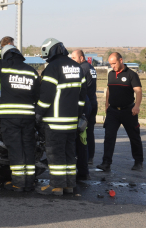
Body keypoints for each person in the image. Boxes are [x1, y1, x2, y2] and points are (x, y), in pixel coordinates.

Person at [0, 31, 41, 192]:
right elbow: (38, 95)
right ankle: (29, 182)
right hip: (28, 118)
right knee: (28, 148)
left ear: (5, 55)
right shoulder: (31, 71)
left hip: (10, 118)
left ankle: (18, 183)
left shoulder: (4, 67)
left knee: (15, 150)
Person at [35, 38, 86, 196]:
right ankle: (69, 185)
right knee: (69, 154)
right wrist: (78, 115)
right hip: (72, 122)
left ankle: (56, 186)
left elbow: (46, 96)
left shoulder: (53, 68)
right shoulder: (77, 68)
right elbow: (83, 96)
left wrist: (38, 113)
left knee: (55, 154)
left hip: (55, 122)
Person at [96, 52, 143, 172]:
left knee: (134, 137)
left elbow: (138, 91)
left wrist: (136, 106)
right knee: (109, 137)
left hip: (128, 111)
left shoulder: (131, 74)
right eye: (110, 64)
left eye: (114, 63)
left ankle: (138, 162)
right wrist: (106, 105)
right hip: (113, 112)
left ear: (120, 60)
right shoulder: (111, 74)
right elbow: (108, 90)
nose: (112, 66)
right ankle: (106, 163)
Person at [71, 50, 98, 180]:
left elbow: (81, 88)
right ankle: (89, 158)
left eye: (74, 57)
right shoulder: (91, 67)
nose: (72, 60)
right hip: (93, 101)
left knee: (81, 135)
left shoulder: (81, 68)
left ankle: (83, 160)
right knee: (88, 132)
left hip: (85, 103)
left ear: (81, 57)